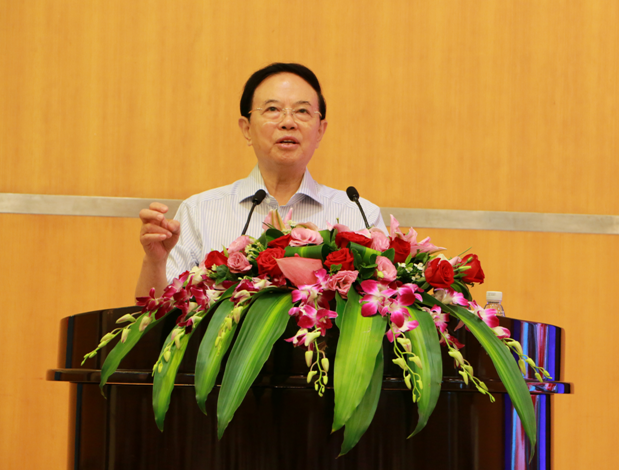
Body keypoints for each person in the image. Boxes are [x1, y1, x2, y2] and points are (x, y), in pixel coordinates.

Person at [136, 63, 386, 297]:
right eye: (272, 109)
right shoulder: (199, 211)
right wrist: (155, 261)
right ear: (247, 129)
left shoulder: (359, 215)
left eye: (302, 111)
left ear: (320, 130)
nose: (288, 122)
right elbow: (156, 314)